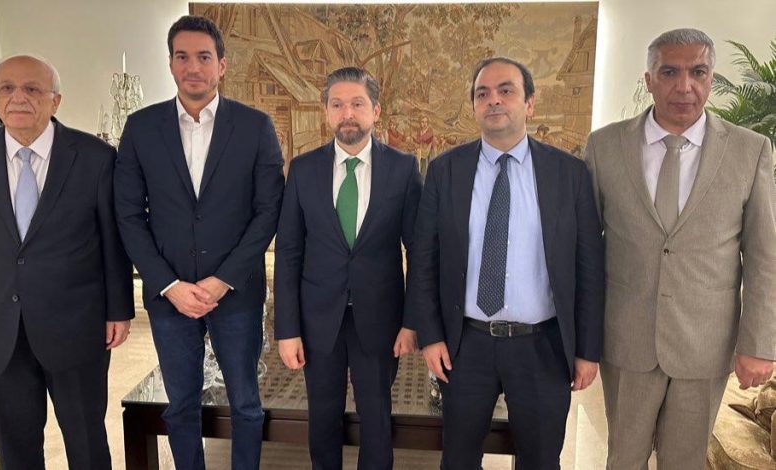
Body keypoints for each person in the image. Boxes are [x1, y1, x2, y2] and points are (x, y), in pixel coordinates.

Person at [583, 28, 776, 469]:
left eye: (698, 72)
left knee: (685, 462)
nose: (684, 86)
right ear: (649, 79)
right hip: (626, 339)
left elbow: (765, 257)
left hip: (705, 342)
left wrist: (759, 343)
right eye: (669, 72)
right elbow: (585, 251)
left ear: (711, 79)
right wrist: (581, 339)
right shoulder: (606, 146)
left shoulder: (750, 151)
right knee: (623, 458)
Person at [406, 57, 604, 469]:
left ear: (529, 104)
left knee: (541, 460)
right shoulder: (445, 171)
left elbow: (588, 266)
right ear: (474, 106)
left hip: (542, 346)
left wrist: (587, 350)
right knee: (458, 460)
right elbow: (424, 258)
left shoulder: (569, 174)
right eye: (483, 93)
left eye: (505, 91)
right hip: (466, 346)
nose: (493, 100)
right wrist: (431, 336)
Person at [114, 15, 284, 470]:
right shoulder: (141, 128)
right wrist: (168, 284)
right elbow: (129, 216)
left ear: (222, 65)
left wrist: (223, 279)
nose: (193, 67)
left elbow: (268, 211)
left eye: (204, 57)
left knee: (245, 404)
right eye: (183, 56)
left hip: (236, 294)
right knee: (180, 406)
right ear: (170, 63)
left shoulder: (255, 126)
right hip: (169, 296)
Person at [274, 66, 422, 470]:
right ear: (326, 111)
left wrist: (412, 322)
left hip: (381, 320)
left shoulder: (403, 169)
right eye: (337, 105)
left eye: (357, 103)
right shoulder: (302, 170)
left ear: (376, 110)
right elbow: (288, 252)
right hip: (318, 320)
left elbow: (419, 251)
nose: (347, 113)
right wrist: (287, 329)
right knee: (322, 419)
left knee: (377, 420)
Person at [0, 54, 134, 470]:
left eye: (32, 89)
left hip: (77, 326)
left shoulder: (94, 157)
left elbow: (113, 239)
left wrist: (119, 309)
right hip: (2, 329)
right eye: (6, 88)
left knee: (86, 439)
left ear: (55, 100)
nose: (18, 98)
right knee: (15, 445)